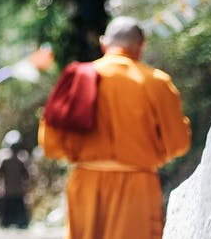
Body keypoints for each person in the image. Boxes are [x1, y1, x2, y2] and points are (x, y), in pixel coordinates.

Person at [38, 17, 191, 239]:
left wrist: (81, 155)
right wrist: (152, 155)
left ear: (103, 44)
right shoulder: (157, 83)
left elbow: (50, 143)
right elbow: (178, 143)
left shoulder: (78, 78)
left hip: (87, 185)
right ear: (141, 47)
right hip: (137, 186)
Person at [0, 130, 31, 228]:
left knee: (16, 223)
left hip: (12, 194)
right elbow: (27, 176)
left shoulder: (19, 157)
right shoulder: (7, 157)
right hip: (7, 194)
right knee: (10, 223)